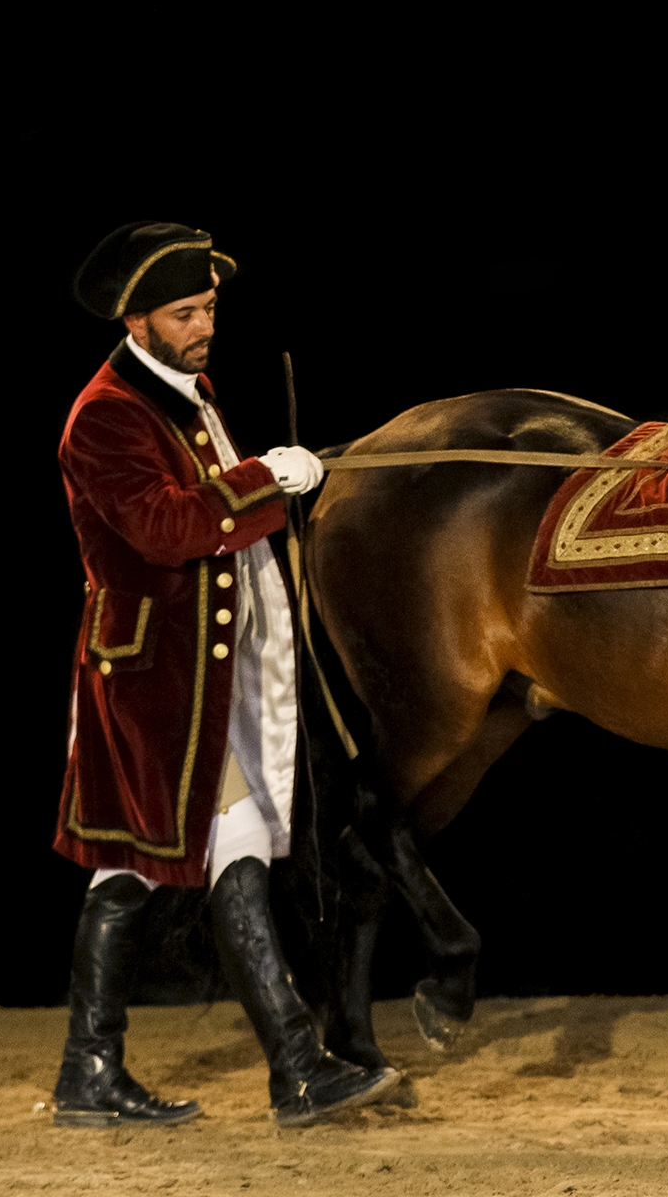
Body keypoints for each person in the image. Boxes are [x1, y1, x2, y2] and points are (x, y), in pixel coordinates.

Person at [50, 221, 398, 1128]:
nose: (205, 325)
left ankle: (89, 1070)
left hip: (201, 670)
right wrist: (264, 482)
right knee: (231, 844)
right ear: (138, 319)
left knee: (128, 869)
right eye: (185, 312)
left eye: (208, 308)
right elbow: (167, 528)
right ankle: (297, 1067)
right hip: (154, 677)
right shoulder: (106, 415)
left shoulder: (181, 388)